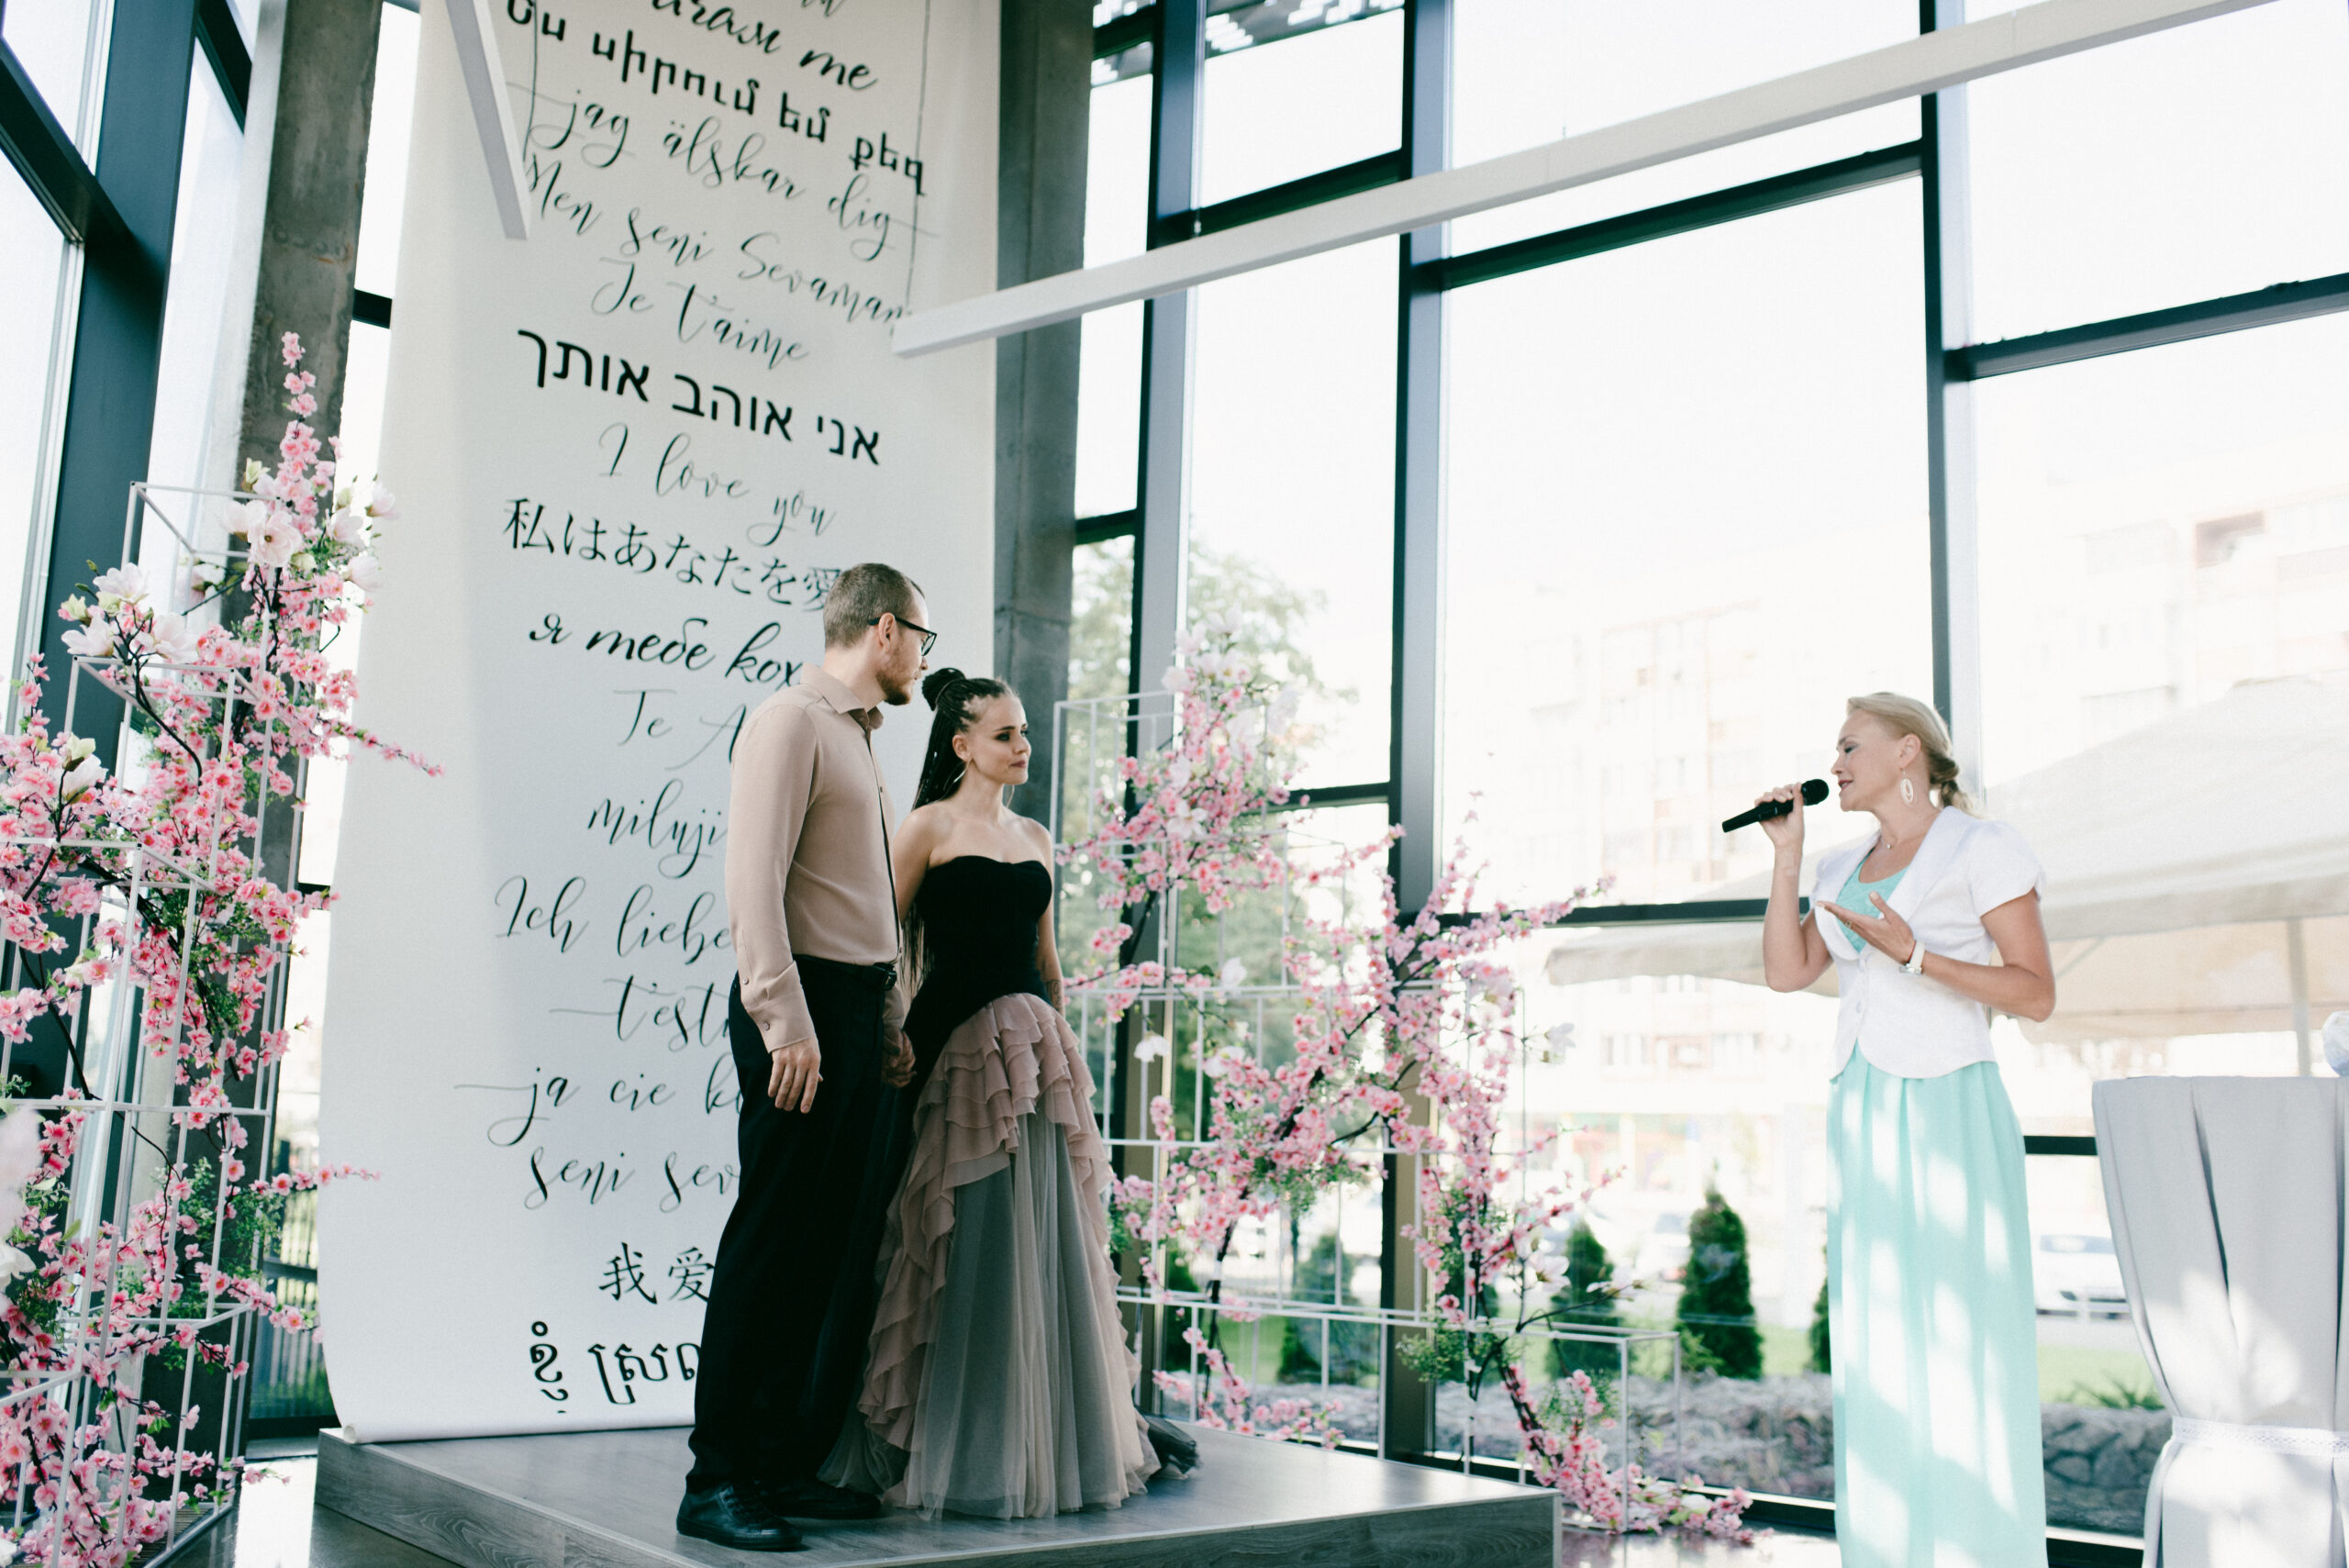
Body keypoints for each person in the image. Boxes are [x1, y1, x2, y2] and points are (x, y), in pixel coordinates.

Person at [820, 668, 1181, 1518]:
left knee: (1037, 1245)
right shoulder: (925, 827)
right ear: (962, 745)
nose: (1024, 745)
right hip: (949, 1051)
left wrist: (1060, 1053)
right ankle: (941, 1443)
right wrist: (889, 1032)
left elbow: (1047, 962)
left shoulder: (1036, 835)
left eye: (1023, 731)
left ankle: (1037, 1445)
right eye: (1006, 734)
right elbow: (878, 943)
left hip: (1031, 1059)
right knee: (949, 1243)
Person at [1756, 693, 2058, 1568]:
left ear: (1908, 753)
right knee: (1879, 1345)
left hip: (1950, 1104)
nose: (1836, 764)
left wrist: (1917, 955)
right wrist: (1787, 857)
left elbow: (2036, 992)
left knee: (1965, 1344)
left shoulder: (1983, 847)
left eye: (1851, 746)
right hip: (1863, 1104)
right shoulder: (1838, 864)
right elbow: (1788, 971)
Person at [678, 564, 933, 1552]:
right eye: (921, 638)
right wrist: (785, 1020)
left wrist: (890, 1014)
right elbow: (754, 880)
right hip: (803, 1010)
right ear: (884, 629)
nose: (922, 658)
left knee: (823, 1250)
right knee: (772, 1241)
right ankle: (716, 1479)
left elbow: (860, 898)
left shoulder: (857, 736)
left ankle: (777, 1462)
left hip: (854, 1011)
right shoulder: (789, 720)